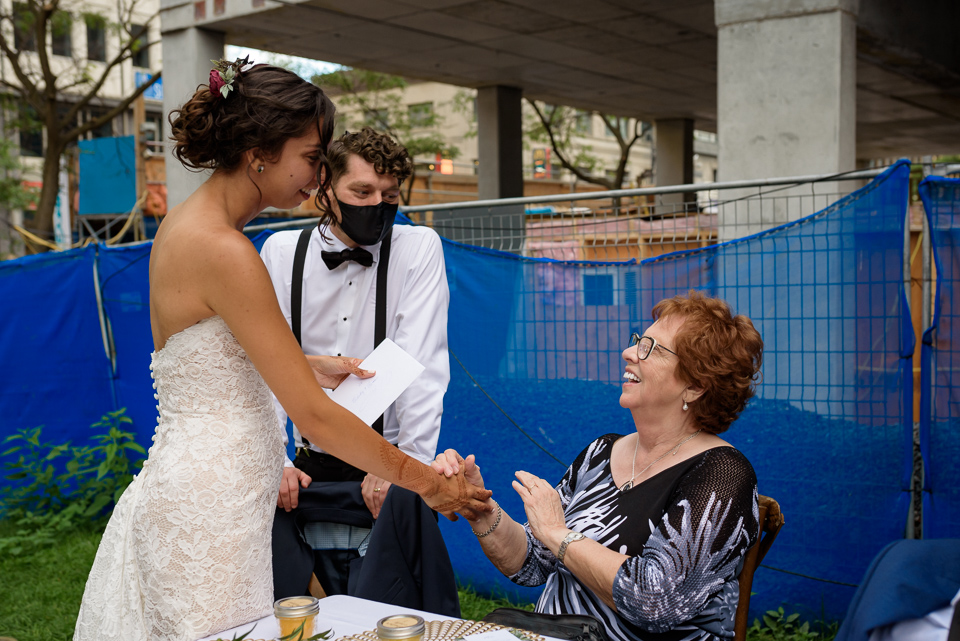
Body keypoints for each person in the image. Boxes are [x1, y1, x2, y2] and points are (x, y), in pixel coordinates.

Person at [73, 59, 489, 641]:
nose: (318, 179)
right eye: (313, 158)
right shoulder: (227, 250)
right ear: (259, 151)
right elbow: (315, 416)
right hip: (212, 510)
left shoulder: (184, 227)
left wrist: (308, 365)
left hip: (205, 492)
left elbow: (202, 355)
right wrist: (426, 480)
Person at [434, 291, 763, 641]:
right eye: (639, 340)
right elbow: (533, 563)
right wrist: (481, 510)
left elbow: (656, 603)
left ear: (695, 386)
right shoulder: (601, 452)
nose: (628, 352)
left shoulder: (723, 475)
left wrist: (558, 534)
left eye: (651, 348)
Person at [260, 127, 451, 598]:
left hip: (384, 464)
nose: (377, 204)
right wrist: (274, 460)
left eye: (390, 195)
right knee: (294, 611)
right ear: (326, 187)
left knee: (394, 608)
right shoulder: (281, 253)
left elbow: (421, 362)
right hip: (303, 468)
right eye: (361, 191)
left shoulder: (418, 248)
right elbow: (263, 364)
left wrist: (404, 468)